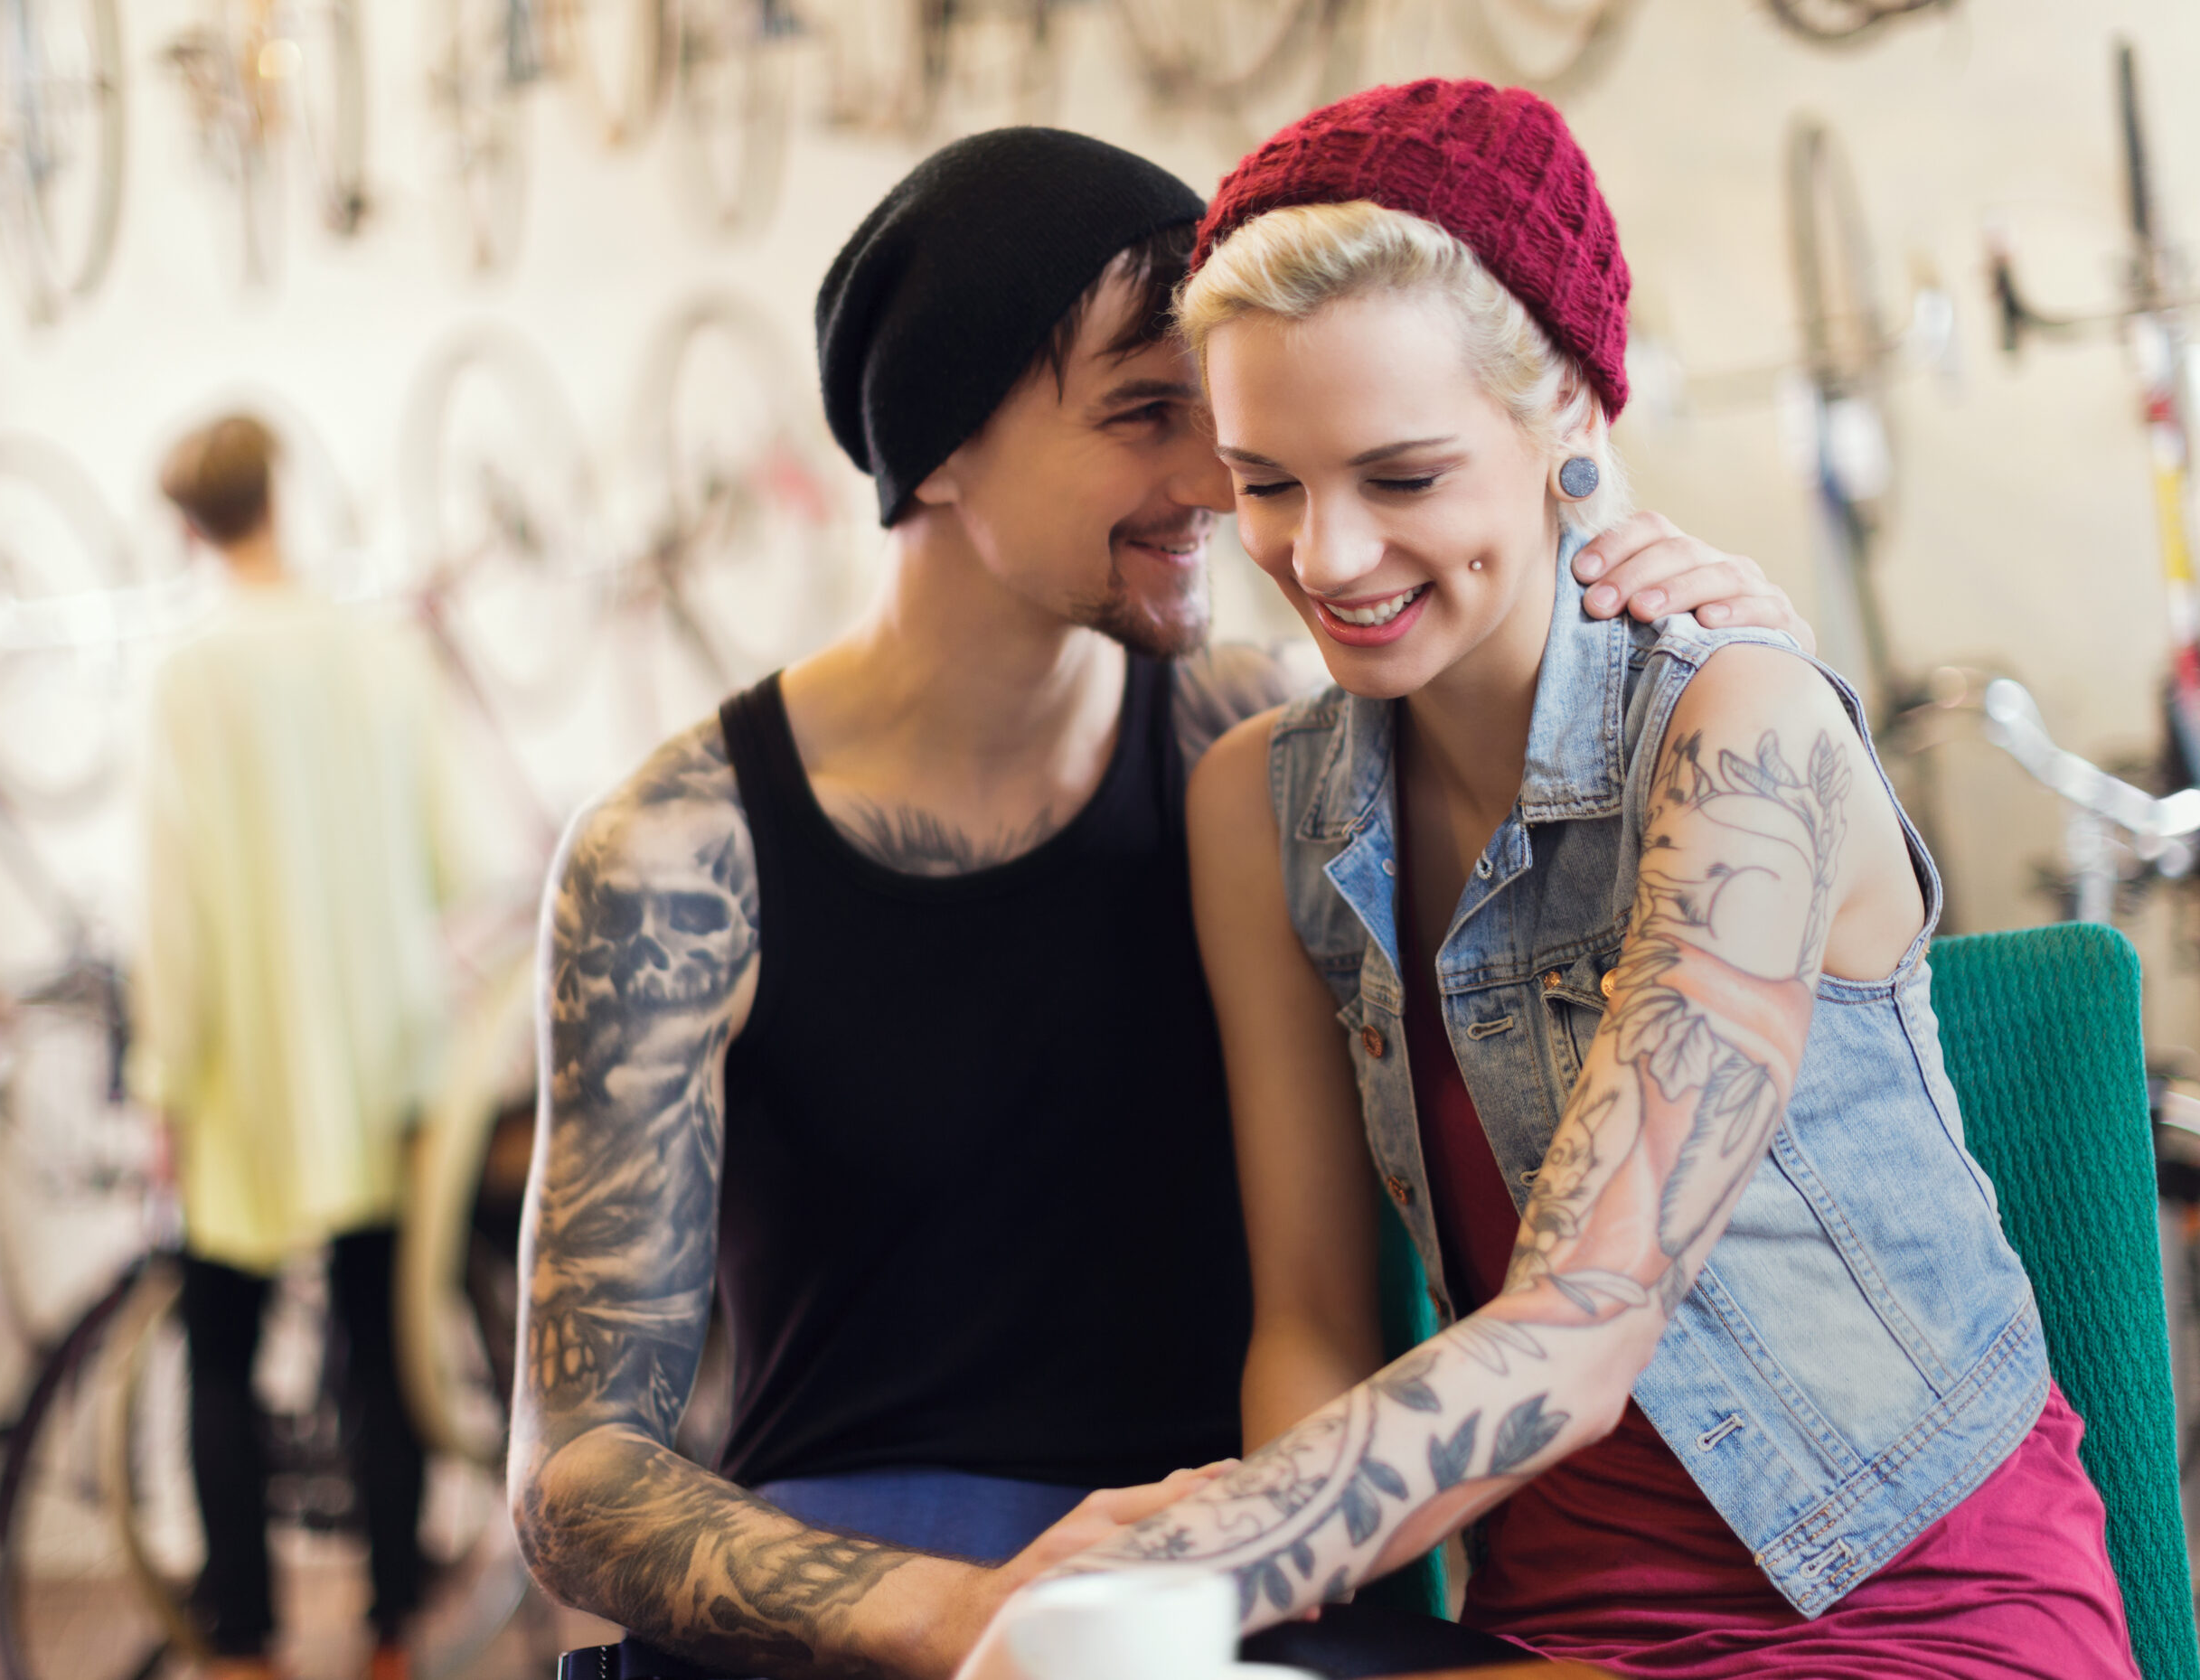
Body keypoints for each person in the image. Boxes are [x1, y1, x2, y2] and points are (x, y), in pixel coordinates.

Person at [510, 127, 1813, 1680]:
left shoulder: (1262, 748)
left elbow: (1616, 744)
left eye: (1221, 418)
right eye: (1146, 416)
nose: (1223, 481)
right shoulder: (677, 852)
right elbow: (575, 1478)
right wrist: (959, 1613)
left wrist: (1714, 612)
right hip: (864, 1594)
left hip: (1237, 1580)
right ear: (933, 449)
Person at [959, 80, 2136, 1680]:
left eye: (1405, 476)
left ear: (1572, 413)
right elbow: (1312, 1314)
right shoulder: (1263, 806)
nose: (1329, 557)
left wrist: (1209, 1551)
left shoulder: (1743, 728)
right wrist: (1304, 1634)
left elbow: (1586, 1324)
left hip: (1897, 1609)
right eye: (1271, 482)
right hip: (1544, 1631)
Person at [136, 416, 457, 1680]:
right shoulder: (375, 650)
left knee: (220, 1350)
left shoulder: (188, 675)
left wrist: (163, 1075)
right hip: (383, 1065)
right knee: (386, 1345)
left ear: (185, 526)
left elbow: (174, 907)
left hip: (243, 1080)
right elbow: (463, 856)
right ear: (278, 496)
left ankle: (249, 1642)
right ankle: (391, 1630)